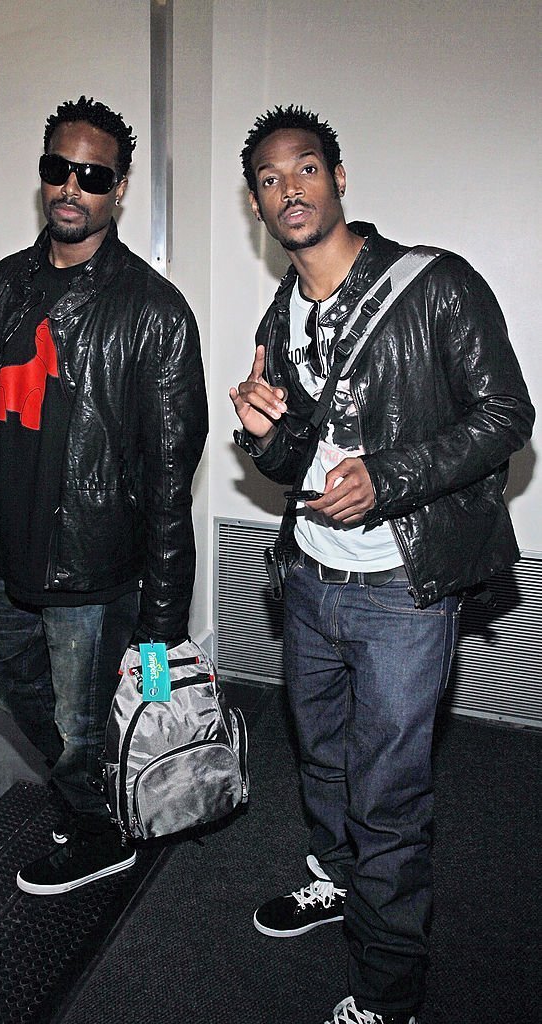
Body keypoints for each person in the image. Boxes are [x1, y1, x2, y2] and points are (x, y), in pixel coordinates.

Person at [230, 105, 533, 1024]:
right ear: (257, 205)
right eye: (271, 181)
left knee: (388, 788)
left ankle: (391, 991)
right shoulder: (279, 315)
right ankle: (336, 880)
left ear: (338, 177)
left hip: (404, 590)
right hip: (310, 577)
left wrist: (389, 480)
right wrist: (264, 436)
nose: (290, 190)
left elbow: (506, 416)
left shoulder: (434, 284)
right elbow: (293, 465)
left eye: (305, 169)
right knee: (320, 758)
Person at [0, 96, 207, 896]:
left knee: (83, 719)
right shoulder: (2, 284)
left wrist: (160, 627)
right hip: (4, 552)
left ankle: (101, 832)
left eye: (92, 175)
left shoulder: (155, 311)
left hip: (92, 569)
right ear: (43, 175)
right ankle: (87, 792)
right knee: (6, 680)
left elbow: (171, 483)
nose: (72, 186)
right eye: (59, 168)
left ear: (118, 189)